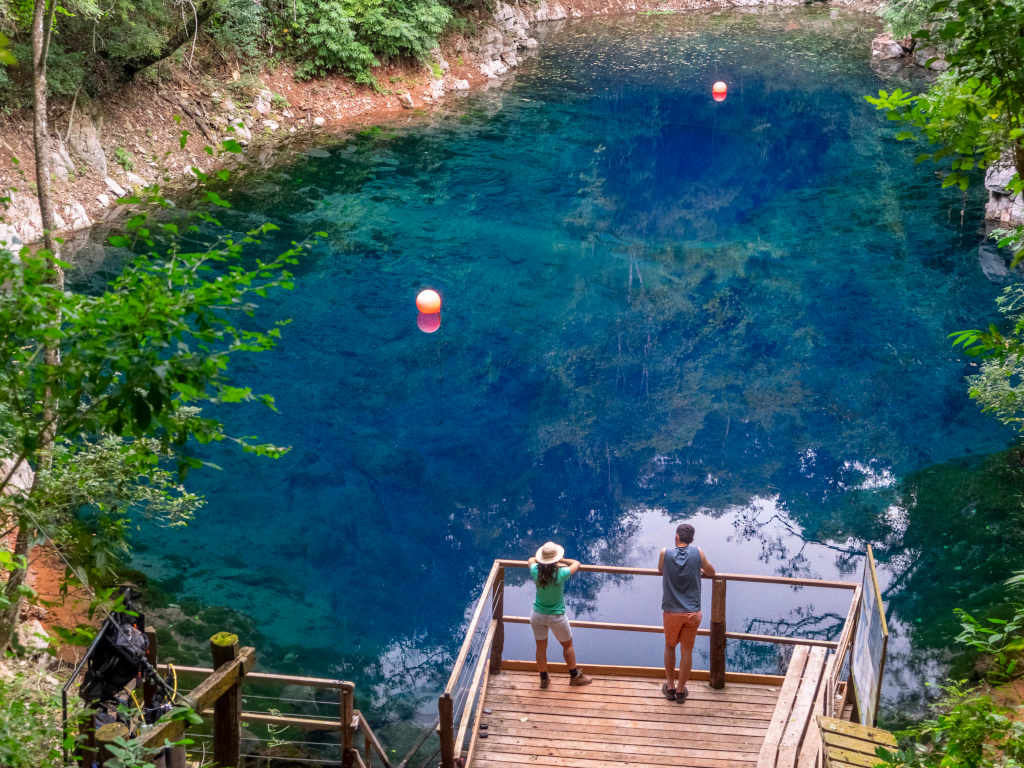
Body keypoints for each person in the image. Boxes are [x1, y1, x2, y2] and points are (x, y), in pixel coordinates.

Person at [658, 523, 715, 702]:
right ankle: (681, 691)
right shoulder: (698, 553)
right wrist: (697, 570)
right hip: (693, 612)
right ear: (691, 540)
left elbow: (661, 570)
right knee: (687, 651)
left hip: (672, 612)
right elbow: (711, 573)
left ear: (677, 537)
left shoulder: (664, 553)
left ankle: (670, 686)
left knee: (670, 645)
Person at [527, 541, 593, 689]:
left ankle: (544, 679)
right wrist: (562, 561)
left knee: (541, 647)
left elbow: (530, 560)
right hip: (556, 616)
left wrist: (541, 561)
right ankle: (574, 676)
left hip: (537, 615)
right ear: (555, 559)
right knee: (567, 645)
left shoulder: (536, 571)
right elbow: (577, 563)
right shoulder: (560, 573)